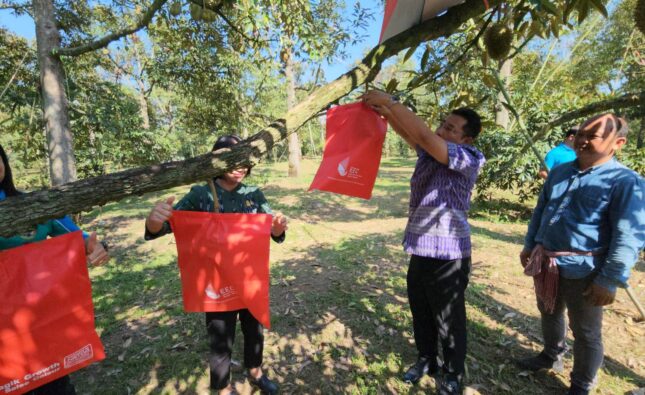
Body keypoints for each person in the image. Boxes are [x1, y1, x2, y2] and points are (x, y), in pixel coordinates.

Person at [362, 91, 486, 395]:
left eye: (450, 128)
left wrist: (391, 104)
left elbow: (425, 136)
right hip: (421, 247)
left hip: (449, 253)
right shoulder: (431, 153)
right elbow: (412, 134)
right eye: (442, 124)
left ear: (467, 139)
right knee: (420, 308)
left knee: (448, 317)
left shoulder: (469, 158)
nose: (442, 130)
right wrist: (387, 115)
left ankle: (453, 371)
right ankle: (427, 359)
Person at [144, 135, 288, 395]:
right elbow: (166, 226)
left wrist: (277, 228)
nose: (241, 166)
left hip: (249, 278)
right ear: (216, 160)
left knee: (254, 328)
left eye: (244, 159)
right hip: (216, 281)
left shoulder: (253, 194)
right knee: (221, 337)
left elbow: (272, 232)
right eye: (232, 159)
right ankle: (223, 387)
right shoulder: (201, 194)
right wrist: (154, 221)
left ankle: (255, 371)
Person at [517, 114, 645, 395]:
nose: (582, 140)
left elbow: (629, 235)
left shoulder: (624, 181)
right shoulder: (561, 171)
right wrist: (531, 243)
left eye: (592, 136)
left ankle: (581, 384)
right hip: (547, 261)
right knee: (549, 311)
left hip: (585, 270)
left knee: (586, 331)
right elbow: (542, 210)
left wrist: (609, 279)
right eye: (580, 133)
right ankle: (552, 355)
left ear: (618, 143)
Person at [0, 144, 109, 395]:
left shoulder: (32, 205)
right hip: (6, 327)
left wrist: (96, 247)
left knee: (54, 384)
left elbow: (78, 238)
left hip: (43, 320)